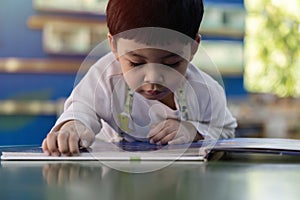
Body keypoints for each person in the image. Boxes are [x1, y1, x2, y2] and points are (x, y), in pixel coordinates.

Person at [42, 0, 237, 156]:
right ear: (114, 46)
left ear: (193, 47)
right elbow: (82, 108)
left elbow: (226, 130)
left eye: (171, 63)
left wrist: (194, 131)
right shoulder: (105, 76)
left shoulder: (206, 90)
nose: (152, 79)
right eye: (136, 63)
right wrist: (73, 126)